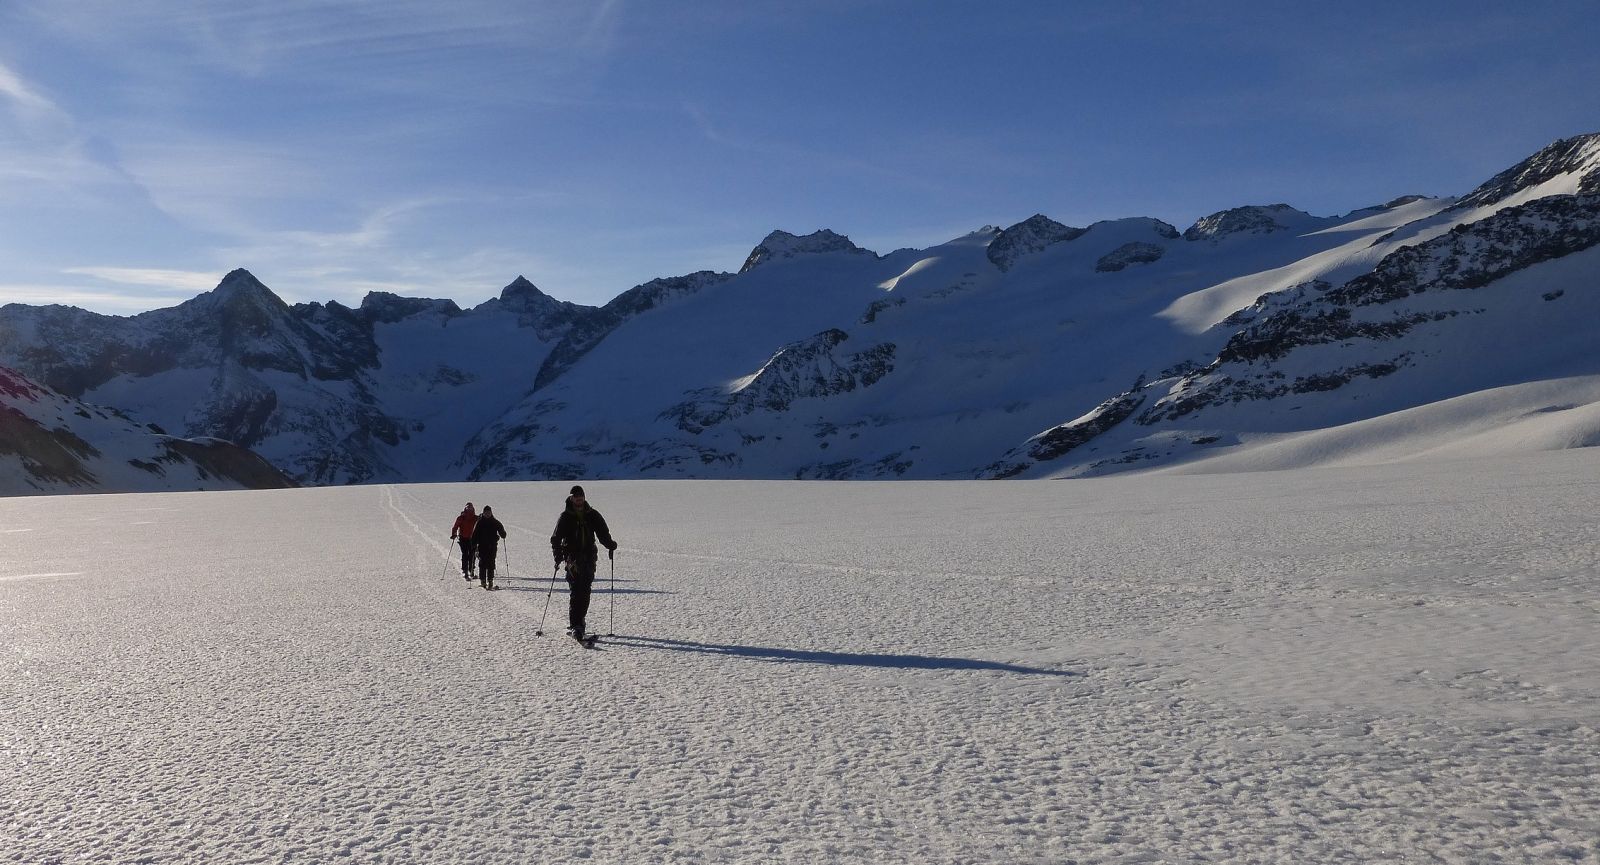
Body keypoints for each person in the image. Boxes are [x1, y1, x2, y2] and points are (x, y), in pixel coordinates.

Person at [549, 485, 617, 640]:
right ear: (571, 498)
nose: (579, 499)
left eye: (581, 496)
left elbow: (602, 533)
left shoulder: (592, 514)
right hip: (572, 558)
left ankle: (580, 622)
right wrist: (558, 555)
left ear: (584, 497)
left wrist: (610, 544)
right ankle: (575, 625)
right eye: (576, 496)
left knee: (585, 590)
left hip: (588, 557)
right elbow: (556, 538)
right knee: (576, 589)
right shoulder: (565, 516)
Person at [471, 505, 508, 590]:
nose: (487, 514)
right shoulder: (479, 522)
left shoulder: (495, 522)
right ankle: (483, 580)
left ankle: (490, 580)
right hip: (482, 546)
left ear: (491, 513)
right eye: (486, 513)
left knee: (491, 563)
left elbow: (502, 532)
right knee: (482, 563)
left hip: (492, 546)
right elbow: (474, 534)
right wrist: (473, 544)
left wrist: (503, 534)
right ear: (483, 513)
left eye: (489, 512)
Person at [449, 503, 479, 581]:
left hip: (472, 539)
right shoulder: (462, 518)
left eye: (471, 508)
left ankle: (469, 570)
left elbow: (455, 527)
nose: (469, 510)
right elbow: (455, 527)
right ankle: (466, 570)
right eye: (468, 508)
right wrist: (454, 534)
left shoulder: (475, 518)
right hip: (463, 538)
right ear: (465, 509)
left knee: (471, 555)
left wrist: (454, 534)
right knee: (466, 554)